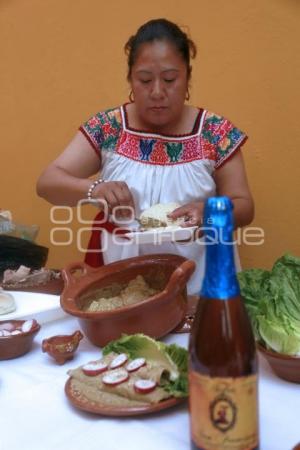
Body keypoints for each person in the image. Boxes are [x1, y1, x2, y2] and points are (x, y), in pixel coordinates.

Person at [36, 18, 254, 295]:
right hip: (120, 274)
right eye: (145, 80)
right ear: (130, 79)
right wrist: (94, 188)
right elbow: (47, 183)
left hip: (200, 278)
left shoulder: (213, 132)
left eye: (170, 79)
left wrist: (209, 213)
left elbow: (244, 206)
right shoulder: (110, 127)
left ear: (187, 76)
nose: (157, 92)